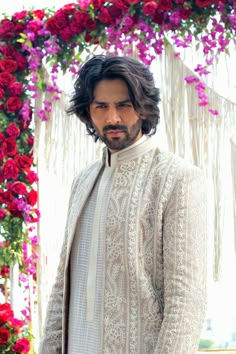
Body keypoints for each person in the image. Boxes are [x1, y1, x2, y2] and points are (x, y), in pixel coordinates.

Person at [39, 55, 207, 354]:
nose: (112, 118)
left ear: (143, 108)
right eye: (100, 106)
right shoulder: (84, 180)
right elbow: (62, 284)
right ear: (88, 112)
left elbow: (186, 301)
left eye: (124, 105)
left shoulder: (176, 178)